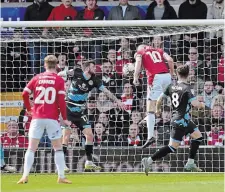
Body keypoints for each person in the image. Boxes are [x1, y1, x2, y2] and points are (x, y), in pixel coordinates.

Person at [142, 65, 206, 175]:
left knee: (198, 136)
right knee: (172, 147)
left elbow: (159, 99)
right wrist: (203, 105)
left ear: (176, 74)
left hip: (184, 120)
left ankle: (190, 163)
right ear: (188, 74)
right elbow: (195, 104)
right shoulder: (187, 88)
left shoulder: (170, 86)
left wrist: (157, 110)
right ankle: (149, 160)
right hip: (180, 122)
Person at [17, 55, 72, 184]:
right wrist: (64, 118)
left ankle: (25, 176)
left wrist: (30, 108)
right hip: (52, 118)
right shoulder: (59, 80)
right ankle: (61, 176)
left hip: (37, 117)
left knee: (31, 148)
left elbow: (24, 93)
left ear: (44, 65)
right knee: (58, 148)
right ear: (57, 65)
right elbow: (61, 102)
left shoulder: (36, 78)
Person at [63, 60, 125, 171]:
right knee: (66, 136)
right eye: (93, 67)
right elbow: (61, 74)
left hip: (80, 110)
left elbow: (107, 92)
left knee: (90, 135)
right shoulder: (76, 72)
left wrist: (117, 101)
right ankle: (61, 164)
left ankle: (89, 162)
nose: (96, 69)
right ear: (87, 68)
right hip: (68, 107)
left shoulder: (95, 80)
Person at [133, 44, 174, 148]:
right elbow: (170, 60)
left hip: (155, 78)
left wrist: (135, 77)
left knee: (150, 109)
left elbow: (138, 63)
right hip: (167, 76)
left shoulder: (140, 52)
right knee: (166, 103)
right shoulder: (159, 50)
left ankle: (150, 136)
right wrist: (172, 74)